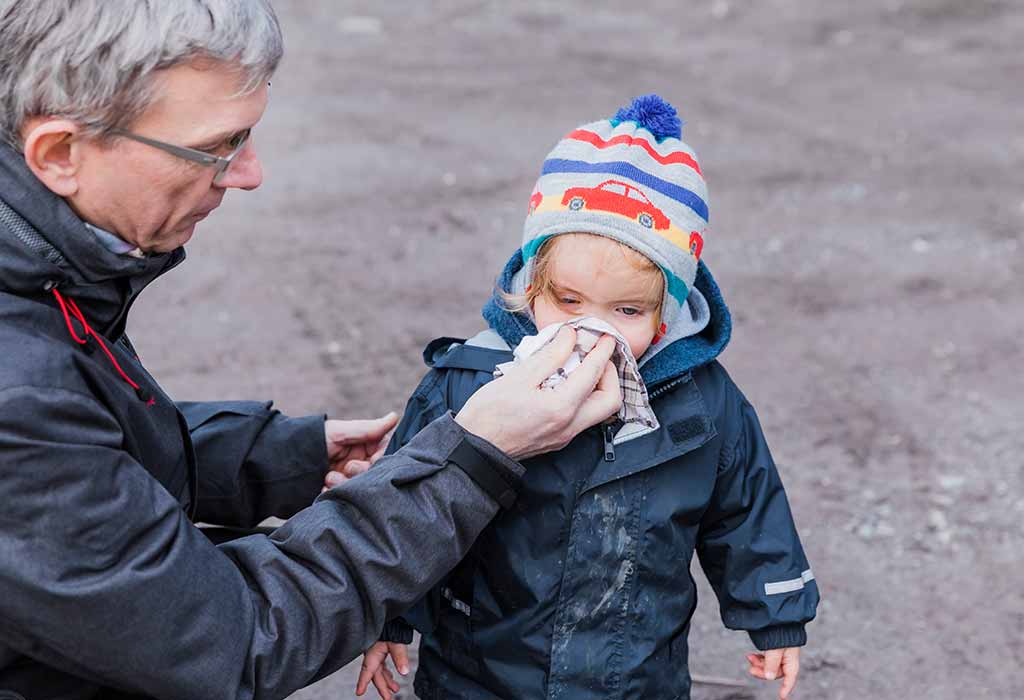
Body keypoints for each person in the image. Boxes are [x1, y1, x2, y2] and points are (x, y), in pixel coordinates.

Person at [0, 2, 622, 699]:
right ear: (60, 153)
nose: (248, 174)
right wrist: (470, 459)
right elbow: (232, 642)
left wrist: (281, 457)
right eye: (218, 147)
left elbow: (80, 448)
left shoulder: (39, 271)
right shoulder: (15, 391)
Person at [356, 95, 820, 700]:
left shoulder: (704, 404)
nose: (591, 328)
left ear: (666, 312)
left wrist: (776, 616)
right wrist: (389, 616)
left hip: (634, 677)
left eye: (626, 310)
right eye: (568, 301)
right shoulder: (469, 381)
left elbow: (747, 509)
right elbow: (412, 504)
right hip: (483, 673)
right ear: (531, 284)